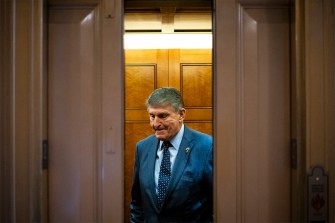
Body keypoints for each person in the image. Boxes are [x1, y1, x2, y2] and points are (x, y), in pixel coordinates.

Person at [130, 87, 213, 223]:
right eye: (152, 116)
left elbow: (217, 203)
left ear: (181, 114)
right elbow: (137, 203)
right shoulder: (143, 147)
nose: (155, 124)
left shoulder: (206, 146)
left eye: (163, 116)